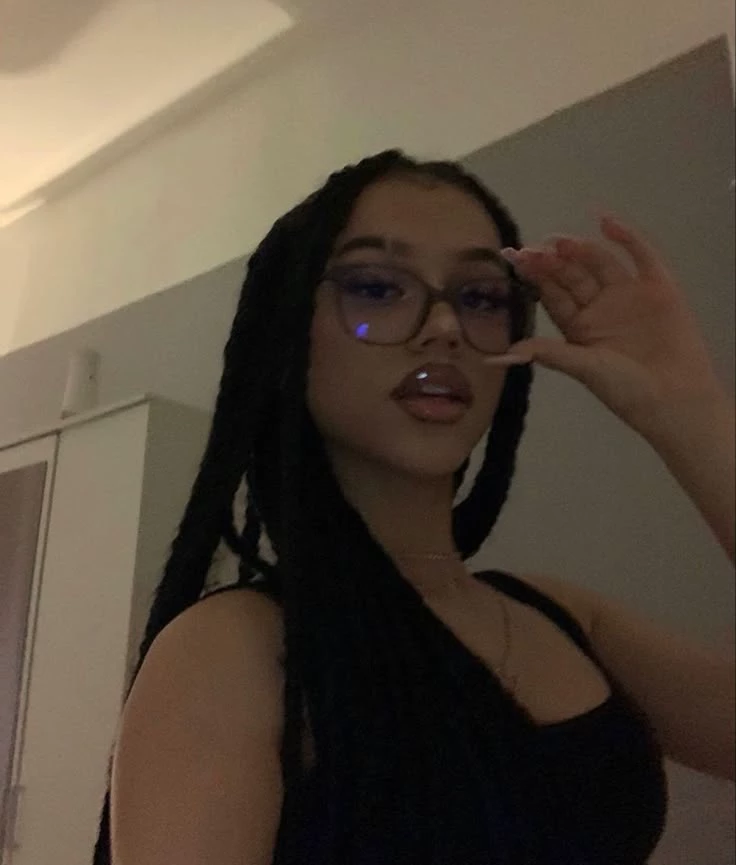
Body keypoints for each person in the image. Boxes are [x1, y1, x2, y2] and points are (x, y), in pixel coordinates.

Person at [95, 149, 734, 864]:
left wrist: (688, 413)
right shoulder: (234, 649)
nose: (445, 327)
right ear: (287, 333)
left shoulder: (565, 618)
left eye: (481, 297)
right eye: (376, 287)